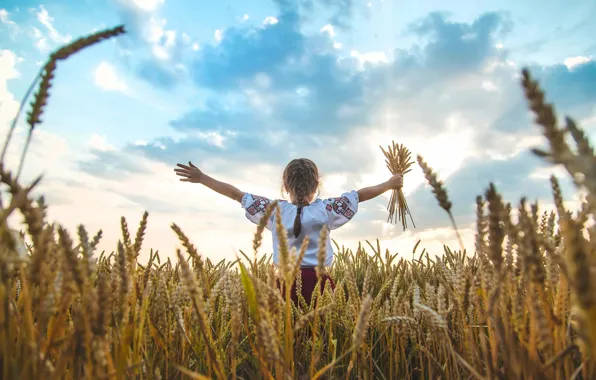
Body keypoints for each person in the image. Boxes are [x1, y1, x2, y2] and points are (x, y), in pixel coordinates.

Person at [174, 158, 403, 305]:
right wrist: (389, 184)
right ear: (316, 187)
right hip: (320, 284)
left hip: (282, 285)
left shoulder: (274, 210)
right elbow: (360, 195)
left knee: (286, 341)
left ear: (285, 187)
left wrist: (202, 178)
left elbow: (236, 194)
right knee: (321, 340)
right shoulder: (326, 209)